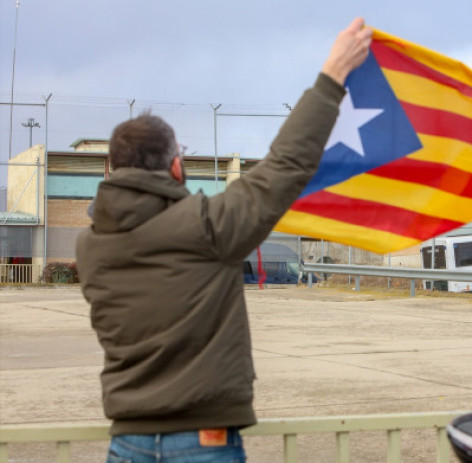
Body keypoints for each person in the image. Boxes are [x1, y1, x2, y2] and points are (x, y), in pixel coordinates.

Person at [75, 18, 372, 463]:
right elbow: (285, 166)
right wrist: (332, 75)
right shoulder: (205, 226)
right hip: (203, 441)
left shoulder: (91, 246)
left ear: (110, 172)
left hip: (127, 442)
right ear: (176, 167)